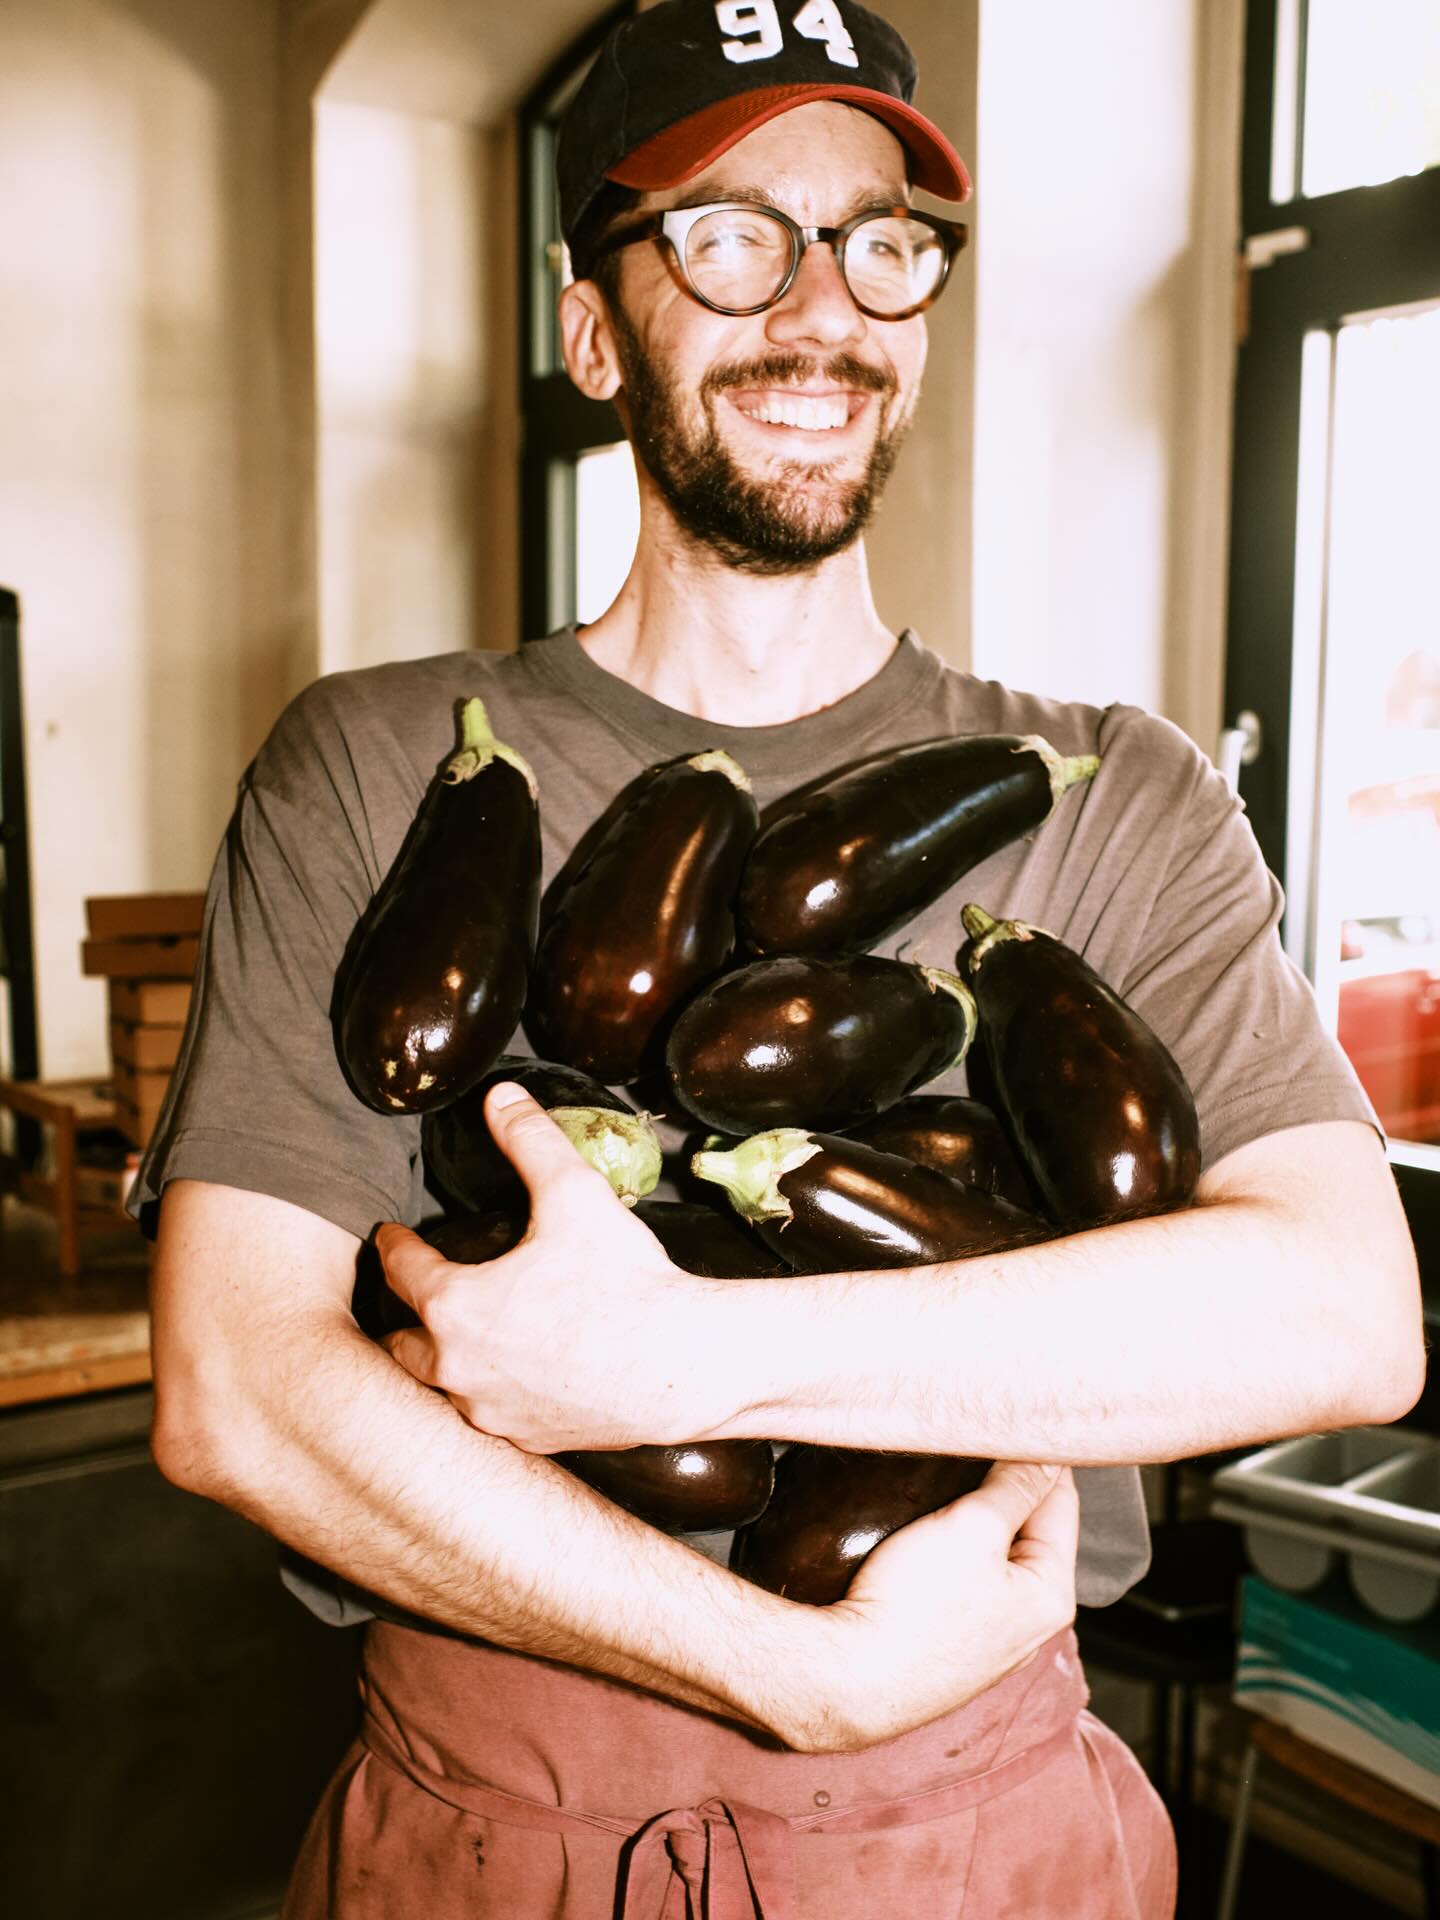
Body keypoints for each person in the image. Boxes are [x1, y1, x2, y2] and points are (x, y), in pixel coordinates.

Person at [140, 2, 1424, 1914]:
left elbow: (1342, 1316)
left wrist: (690, 1354)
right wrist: (792, 1679)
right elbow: (231, 1386)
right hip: (504, 1825)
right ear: (596, 329)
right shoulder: (377, 760)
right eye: (733, 236)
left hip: (984, 1831)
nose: (821, 306)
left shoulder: (1118, 793)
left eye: (880, 241)